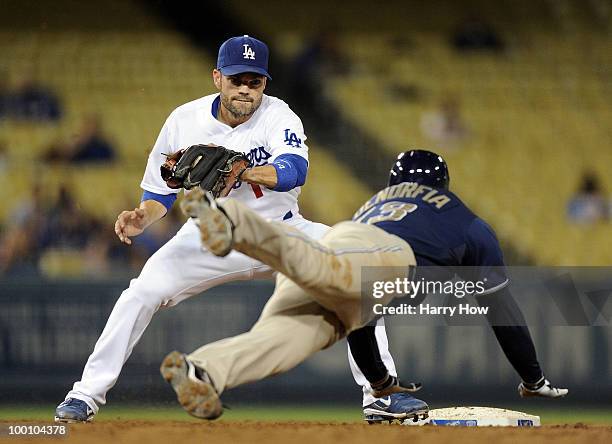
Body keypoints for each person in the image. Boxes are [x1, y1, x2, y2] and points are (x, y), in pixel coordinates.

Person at [53, 35, 404, 423]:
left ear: (264, 84)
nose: (245, 89)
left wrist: (245, 169)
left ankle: (380, 397)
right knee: (140, 294)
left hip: (280, 231)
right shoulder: (184, 120)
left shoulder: (279, 115)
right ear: (217, 77)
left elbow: (294, 170)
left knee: (357, 273)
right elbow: (160, 192)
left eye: (254, 82)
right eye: (237, 79)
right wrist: (143, 215)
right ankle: (85, 396)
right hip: (209, 234)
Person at [159, 149, 567, 423]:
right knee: (319, 270)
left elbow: (362, 318)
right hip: (380, 257)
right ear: (444, 185)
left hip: (348, 257)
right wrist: (533, 378)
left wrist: (381, 386)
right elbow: (503, 312)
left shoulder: (376, 204)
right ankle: (233, 219)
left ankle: (204, 370)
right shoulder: (466, 221)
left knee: (283, 341)